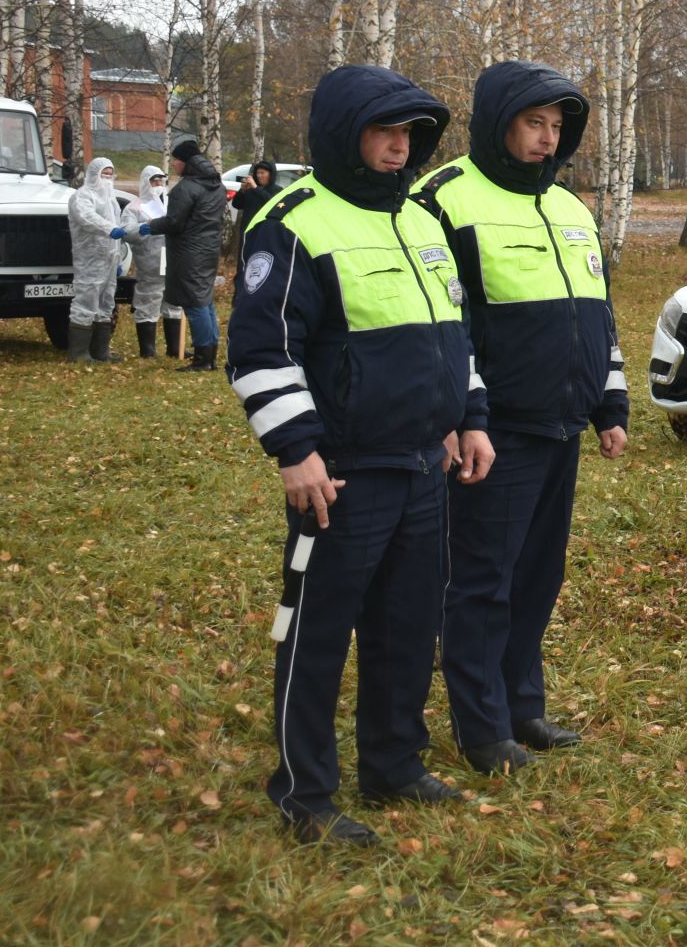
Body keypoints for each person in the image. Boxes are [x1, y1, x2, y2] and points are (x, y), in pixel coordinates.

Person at [226, 64, 495, 846]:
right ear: (346, 134)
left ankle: (394, 764)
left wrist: (470, 416)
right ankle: (303, 793)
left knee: (408, 627)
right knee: (315, 634)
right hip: (340, 473)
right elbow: (259, 349)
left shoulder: (419, 219)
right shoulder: (292, 222)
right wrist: (296, 449)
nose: (398, 146)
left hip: (424, 465)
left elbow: (454, 335)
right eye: (384, 130)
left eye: (409, 133)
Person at [414, 62, 629, 776]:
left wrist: (611, 401)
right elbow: (442, 325)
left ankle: (523, 706)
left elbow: (596, 314)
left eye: (558, 127)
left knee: (538, 575)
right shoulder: (443, 200)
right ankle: (482, 728)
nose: (547, 139)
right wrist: (461, 413)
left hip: (560, 424)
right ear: (497, 122)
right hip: (492, 430)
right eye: (534, 123)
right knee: (482, 580)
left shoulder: (569, 208)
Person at [150, 139, 227, 371]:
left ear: (186, 162)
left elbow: (174, 222)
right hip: (208, 250)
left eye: (176, 159)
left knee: (195, 304)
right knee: (205, 301)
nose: (173, 163)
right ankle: (210, 354)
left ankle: (203, 358)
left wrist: (152, 224)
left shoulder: (186, 188)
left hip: (189, 253)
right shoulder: (217, 185)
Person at [66, 156, 124, 363]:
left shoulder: (111, 199)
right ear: (94, 174)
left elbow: (118, 224)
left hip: (109, 258)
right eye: (104, 174)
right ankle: (79, 353)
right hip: (90, 259)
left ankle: (100, 351)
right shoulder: (82, 196)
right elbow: (87, 218)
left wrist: (117, 260)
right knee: (86, 299)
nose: (108, 178)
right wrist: (111, 229)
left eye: (110, 174)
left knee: (106, 301)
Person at [121, 166, 171, 359]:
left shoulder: (171, 202)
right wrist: (143, 229)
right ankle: (148, 350)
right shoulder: (135, 206)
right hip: (149, 261)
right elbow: (126, 230)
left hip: (171, 259)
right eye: (154, 181)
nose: (158, 185)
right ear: (145, 182)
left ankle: (174, 347)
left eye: (161, 181)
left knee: (173, 302)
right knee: (148, 301)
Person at [232, 160, 284, 277]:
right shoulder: (251, 190)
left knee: (259, 263)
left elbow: (272, 203)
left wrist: (256, 188)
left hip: (264, 233)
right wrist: (242, 191)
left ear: (271, 174)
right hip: (247, 231)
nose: (259, 176)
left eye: (262, 173)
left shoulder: (277, 190)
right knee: (243, 262)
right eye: (258, 173)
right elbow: (237, 204)